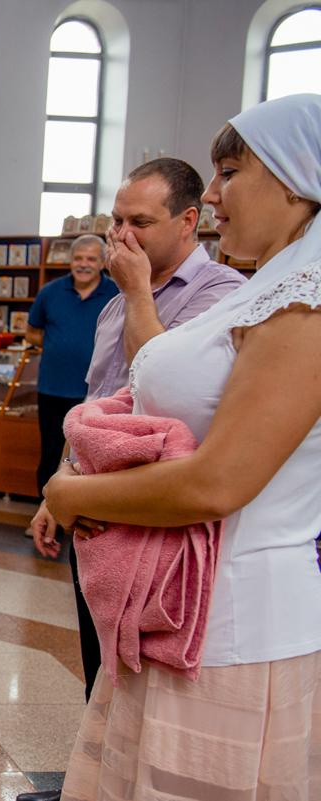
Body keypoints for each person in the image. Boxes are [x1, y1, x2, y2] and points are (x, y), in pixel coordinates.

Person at [45, 93, 321, 801]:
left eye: (231, 172)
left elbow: (218, 482)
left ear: (294, 177)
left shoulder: (306, 302)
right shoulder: (268, 286)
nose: (217, 194)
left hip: (232, 621)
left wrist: (73, 493)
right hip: (174, 605)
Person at [19, 158, 246, 801]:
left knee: (145, 666)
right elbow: (95, 405)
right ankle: (99, 778)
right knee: (100, 655)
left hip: (157, 507)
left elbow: (168, 396)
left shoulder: (218, 294)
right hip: (92, 502)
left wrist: (142, 291)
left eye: (140, 222)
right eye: (117, 220)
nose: (124, 236)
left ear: (189, 221)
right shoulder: (116, 305)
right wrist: (58, 489)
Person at [25, 234, 117, 496]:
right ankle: (43, 511)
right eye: (78, 258)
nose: (83, 264)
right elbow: (32, 332)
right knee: (51, 452)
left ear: (102, 263)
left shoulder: (115, 293)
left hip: (97, 392)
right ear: (69, 261)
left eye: (91, 258)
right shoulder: (50, 292)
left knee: (90, 455)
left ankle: (77, 518)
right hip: (53, 388)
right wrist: (59, 345)